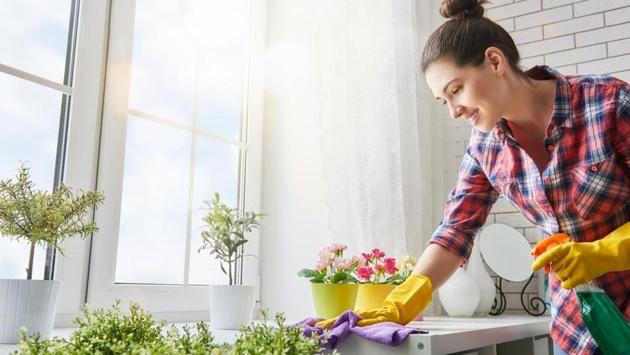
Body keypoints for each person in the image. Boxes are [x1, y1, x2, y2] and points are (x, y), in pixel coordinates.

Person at [316, 0, 630, 354]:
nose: (453, 111)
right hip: (577, 329)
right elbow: (456, 230)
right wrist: (400, 303)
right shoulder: (485, 147)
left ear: (495, 62)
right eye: (443, 100)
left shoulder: (606, 103)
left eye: (456, 89)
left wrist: (604, 252)